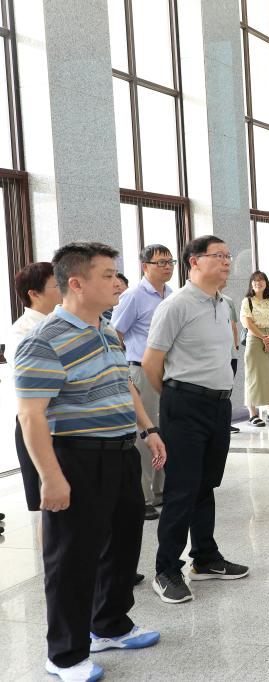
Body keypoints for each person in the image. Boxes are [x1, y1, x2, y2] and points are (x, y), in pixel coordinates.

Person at [15, 242, 164, 682]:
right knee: (72, 560)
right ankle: (64, 655)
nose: (118, 283)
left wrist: (148, 429)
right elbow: (31, 416)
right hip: (75, 457)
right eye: (108, 276)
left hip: (120, 453)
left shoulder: (106, 329)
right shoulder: (43, 340)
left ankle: (110, 625)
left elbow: (123, 385)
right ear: (76, 283)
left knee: (122, 546)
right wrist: (51, 478)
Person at [143, 235, 249, 604]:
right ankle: (166, 569)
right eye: (218, 255)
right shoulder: (176, 305)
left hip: (218, 406)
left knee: (205, 485)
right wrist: (176, 397)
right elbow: (151, 363)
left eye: (228, 255)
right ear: (194, 261)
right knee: (182, 488)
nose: (226, 261)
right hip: (185, 405)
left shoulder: (223, 303)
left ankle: (205, 558)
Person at [111, 245, 175, 520]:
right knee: (146, 434)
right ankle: (143, 496)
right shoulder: (133, 296)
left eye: (170, 262)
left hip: (168, 372)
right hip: (141, 371)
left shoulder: (171, 295)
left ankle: (161, 490)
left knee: (165, 431)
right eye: (161, 262)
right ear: (145, 266)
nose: (167, 266)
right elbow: (115, 333)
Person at [10, 262, 62, 515]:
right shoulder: (22, 331)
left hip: (66, 423)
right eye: (56, 285)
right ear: (34, 293)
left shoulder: (62, 321)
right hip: (40, 422)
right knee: (50, 508)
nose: (63, 289)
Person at [241, 271, 269, 427]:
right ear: (251, 284)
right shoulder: (247, 301)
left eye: (261, 280)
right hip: (255, 338)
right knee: (254, 376)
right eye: (255, 281)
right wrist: (264, 338)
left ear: (266, 283)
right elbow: (248, 323)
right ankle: (253, 414)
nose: (258, 283)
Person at [221, 288, 242, 434]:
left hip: (231, 354)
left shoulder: (228, 301)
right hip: (217, 356)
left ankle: (225, 423)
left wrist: (235, 346)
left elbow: (233, 326)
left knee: (228, 390)